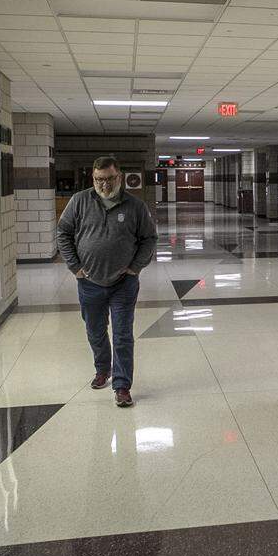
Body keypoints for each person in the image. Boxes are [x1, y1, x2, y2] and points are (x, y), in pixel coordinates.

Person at [56, 156, 158, 407]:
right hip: (89, 283)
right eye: (99, 179)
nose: (104, 184)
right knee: (95, 331)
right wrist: (75, 267)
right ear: (93, 178)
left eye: (109, 178)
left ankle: (122, 386)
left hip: (123, 284)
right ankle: (103, 369)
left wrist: (135, 267)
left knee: (123, 335)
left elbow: (149, 238)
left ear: (119, 177)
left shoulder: (134, 205)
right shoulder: (80, 201)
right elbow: (63, 233)